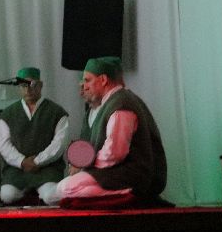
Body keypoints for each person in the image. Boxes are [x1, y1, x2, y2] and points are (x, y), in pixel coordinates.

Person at [48, 57, 167, 204]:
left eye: (87, 80)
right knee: (61, 190)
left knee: (65, 188)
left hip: (132, 175)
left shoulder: (121, 105)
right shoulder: (112, 103)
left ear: (103, 80)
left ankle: (131, 193)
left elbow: (114, 154)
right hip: (115, 172)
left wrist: (85, 164)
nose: (84, 87)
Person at [0, 67, 69, 205]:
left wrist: (38, 161)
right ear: (19, 87)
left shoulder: (56, 112)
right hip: (17, 168)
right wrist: (22, 161)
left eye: (32, 84)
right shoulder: (8, 113)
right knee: (7, 195)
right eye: (24, 86)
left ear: (40, 85)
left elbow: (59, 144)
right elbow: (4, 145)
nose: (28, 90)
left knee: (52, 197)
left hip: (47, 168)